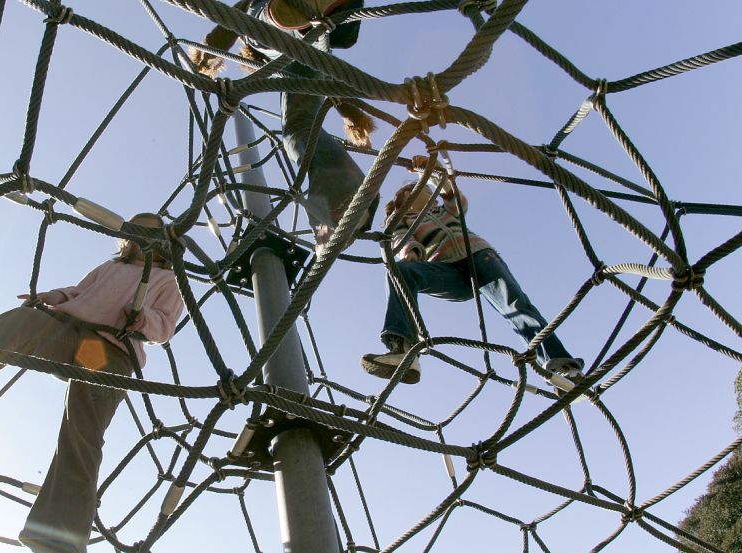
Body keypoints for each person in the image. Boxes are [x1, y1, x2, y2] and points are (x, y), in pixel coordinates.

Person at [0, 213, 185, 553]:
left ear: (163, 242)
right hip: (70, 335)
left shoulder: (167, 280)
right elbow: (78, 292)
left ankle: (57, 538)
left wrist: (142, 318)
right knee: (23, 321)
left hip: (109, 352)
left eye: (148, 231)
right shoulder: (110, 268)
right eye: (133, 230)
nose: (139, 236)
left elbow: (165, 325)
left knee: (81, 432)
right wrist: (53, 296)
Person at [360, 162, 584, 389]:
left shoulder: (444, 210)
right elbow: (398, 241)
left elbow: (452, 196)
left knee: (515, 305)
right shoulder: (399, 220)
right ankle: (403, 350)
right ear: (404, 197)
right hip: (446, 271)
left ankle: (561, 366)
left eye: (430, 191)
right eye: (423, 190)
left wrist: (428, 171)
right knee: (401, 272)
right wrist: (410, 253)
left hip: (478, 256)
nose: (431, 195)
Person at [189, 0, 377, 251]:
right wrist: (352, 116)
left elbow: (233, 19)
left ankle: (342, 201)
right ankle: (344, 195)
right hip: (313, 51)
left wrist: (205, 58)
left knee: (263, 36)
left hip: (285, 38)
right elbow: (329, 81)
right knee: (335, 40)